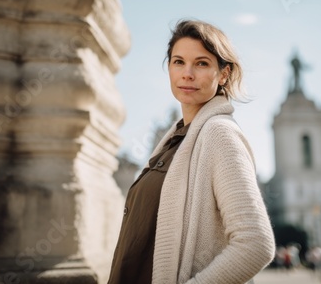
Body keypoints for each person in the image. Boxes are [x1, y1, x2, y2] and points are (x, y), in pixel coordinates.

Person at [108, 19, 275, 284]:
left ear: (223, 74)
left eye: (201, 63)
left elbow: (255, 244)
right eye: (178, 62)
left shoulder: (219, 134)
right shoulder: (176, 139)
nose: (187, 73)